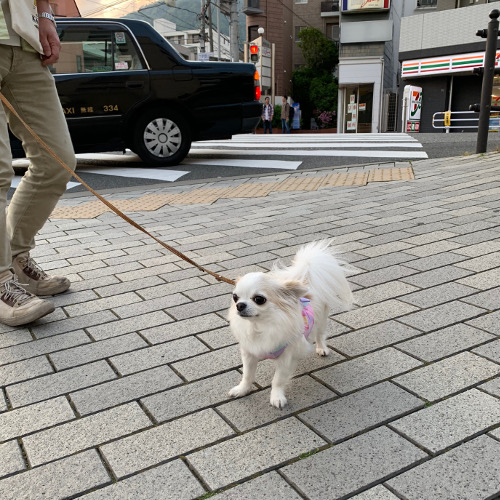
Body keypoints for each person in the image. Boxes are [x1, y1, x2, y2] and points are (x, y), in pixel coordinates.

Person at [0, 0, 76, 327]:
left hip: (23, 37)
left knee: (56, 160)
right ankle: (1, 280)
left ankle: (16, 259)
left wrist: (45, 15)